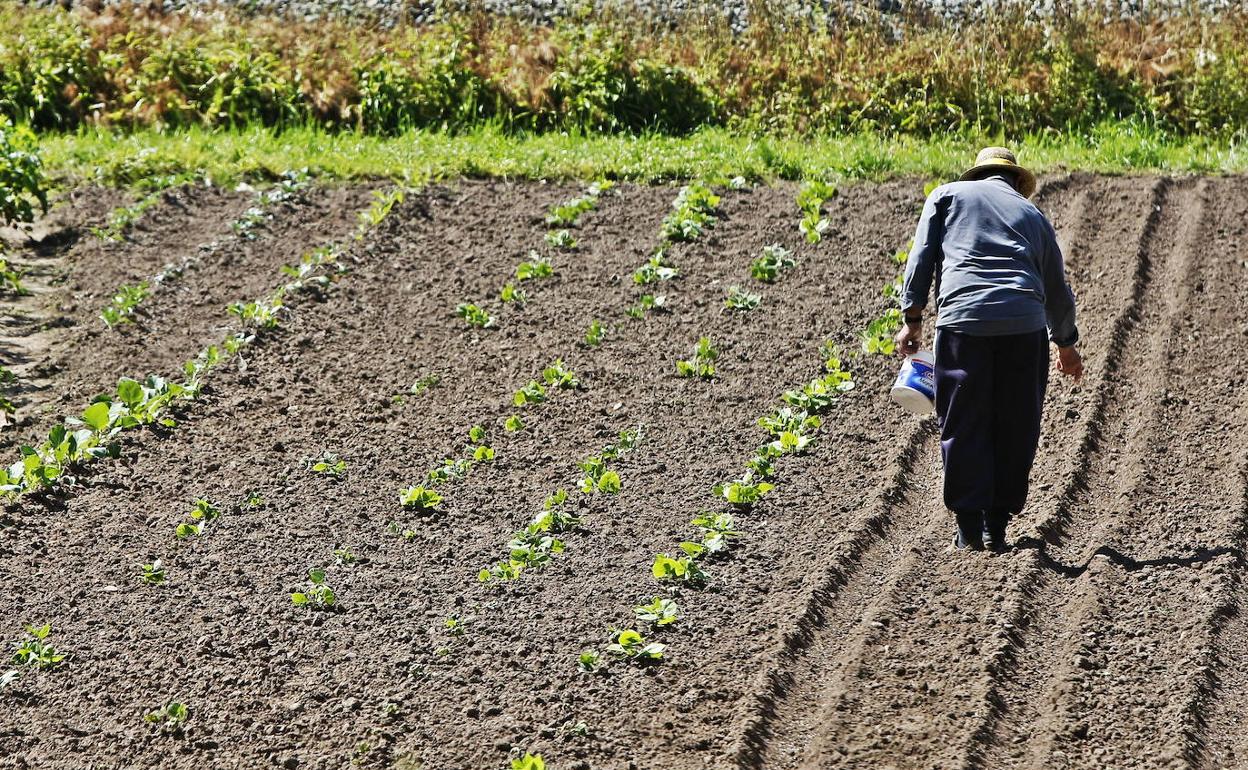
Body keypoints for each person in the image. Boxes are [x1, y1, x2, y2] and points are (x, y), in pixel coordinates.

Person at [894, 147, 1084, 552]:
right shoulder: (1032, 216)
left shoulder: (946, 196)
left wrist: (912, 318)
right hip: (1023, 327)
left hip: (963, 323)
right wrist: (1065, 343)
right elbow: (1055, 286)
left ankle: (967, 529)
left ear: (976, 176)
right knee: (1016, 422)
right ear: (1016, 181)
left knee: (964, 420)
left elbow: (922, 258)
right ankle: (996, 529)